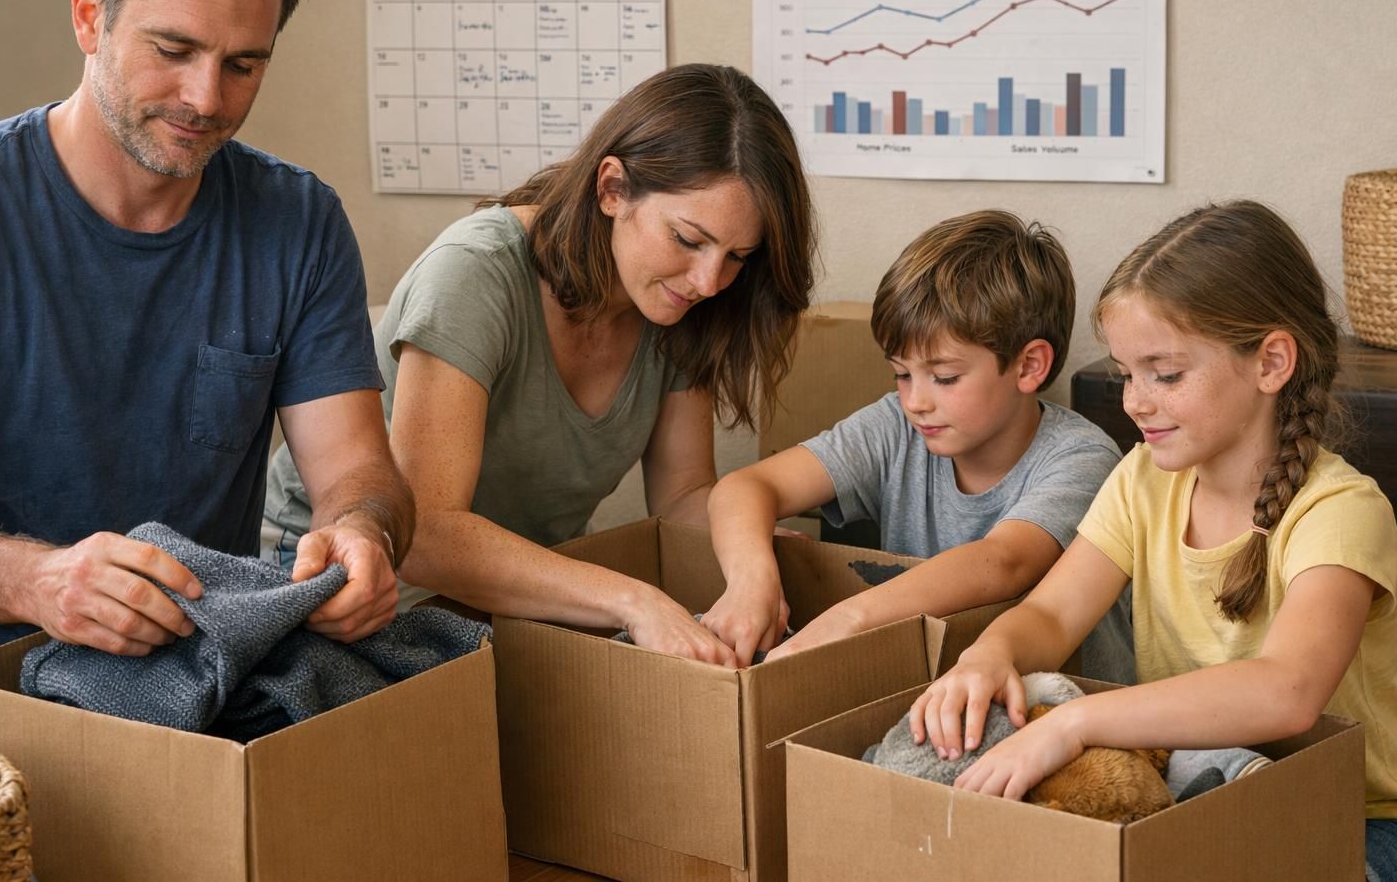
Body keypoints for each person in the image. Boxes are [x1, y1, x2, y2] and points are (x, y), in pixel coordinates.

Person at [0, 0, 411, 715]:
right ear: (90, 14)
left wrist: (363, 531)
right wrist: (38, 581)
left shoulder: (298, 222)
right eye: (174, 50)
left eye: (243, 64)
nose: (205, 97)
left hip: (191, 675)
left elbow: (356, 472)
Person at [264, 63, 817, 666]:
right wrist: (634, 600)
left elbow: (683, 495)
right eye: (687, 240)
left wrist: (751, 562)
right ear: (611, 188)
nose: (710, 281)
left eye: (738, 256)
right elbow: (426, 535)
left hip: (502, 610)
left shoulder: (682, 305)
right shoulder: (474, 272)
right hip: (337, 593)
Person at [908, 201, 1397, 879]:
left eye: (1164, 375)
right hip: (1198, 791)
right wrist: (987, 658)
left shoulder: (1342, 510)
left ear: (1271, 361)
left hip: (1350, 818)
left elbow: (1285, 691)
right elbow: (1051, 614)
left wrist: (1073, 723)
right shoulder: (1143, 479)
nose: (1135, 400)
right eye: (1127, 372)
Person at [704, 210, 1132, 675]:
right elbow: (744, 487)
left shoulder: (1082, 456)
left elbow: (1006, 561)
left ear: (1029, 366)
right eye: (901, 374)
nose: (915, 401)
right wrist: (751, 583)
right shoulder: (896, 425)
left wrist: (849, 619)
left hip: (1066, 702)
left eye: (944, 378)